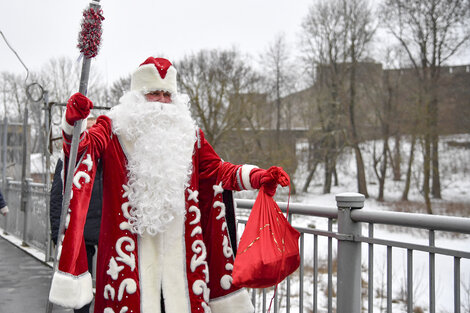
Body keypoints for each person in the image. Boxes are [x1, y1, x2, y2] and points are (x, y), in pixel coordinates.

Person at [48, 57, 288, 313]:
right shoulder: (113, 128)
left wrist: (255, 177)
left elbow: (218, 171)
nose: (162, 102)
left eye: (167, 94)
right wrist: (73, 124)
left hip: (182, 268)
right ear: (137, 96)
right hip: (128, 266)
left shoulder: (190, 135)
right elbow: (82, 147)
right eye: (154, 94)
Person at [49, 117, 102, 313]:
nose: (90, 133)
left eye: (94, 129)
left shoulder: (107, 157)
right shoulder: (69, 158)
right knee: (81, 292)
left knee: (108, 285)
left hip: (106, 232)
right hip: (81, 232)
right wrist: (57, 233)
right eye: (86, 129)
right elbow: (57, 197)